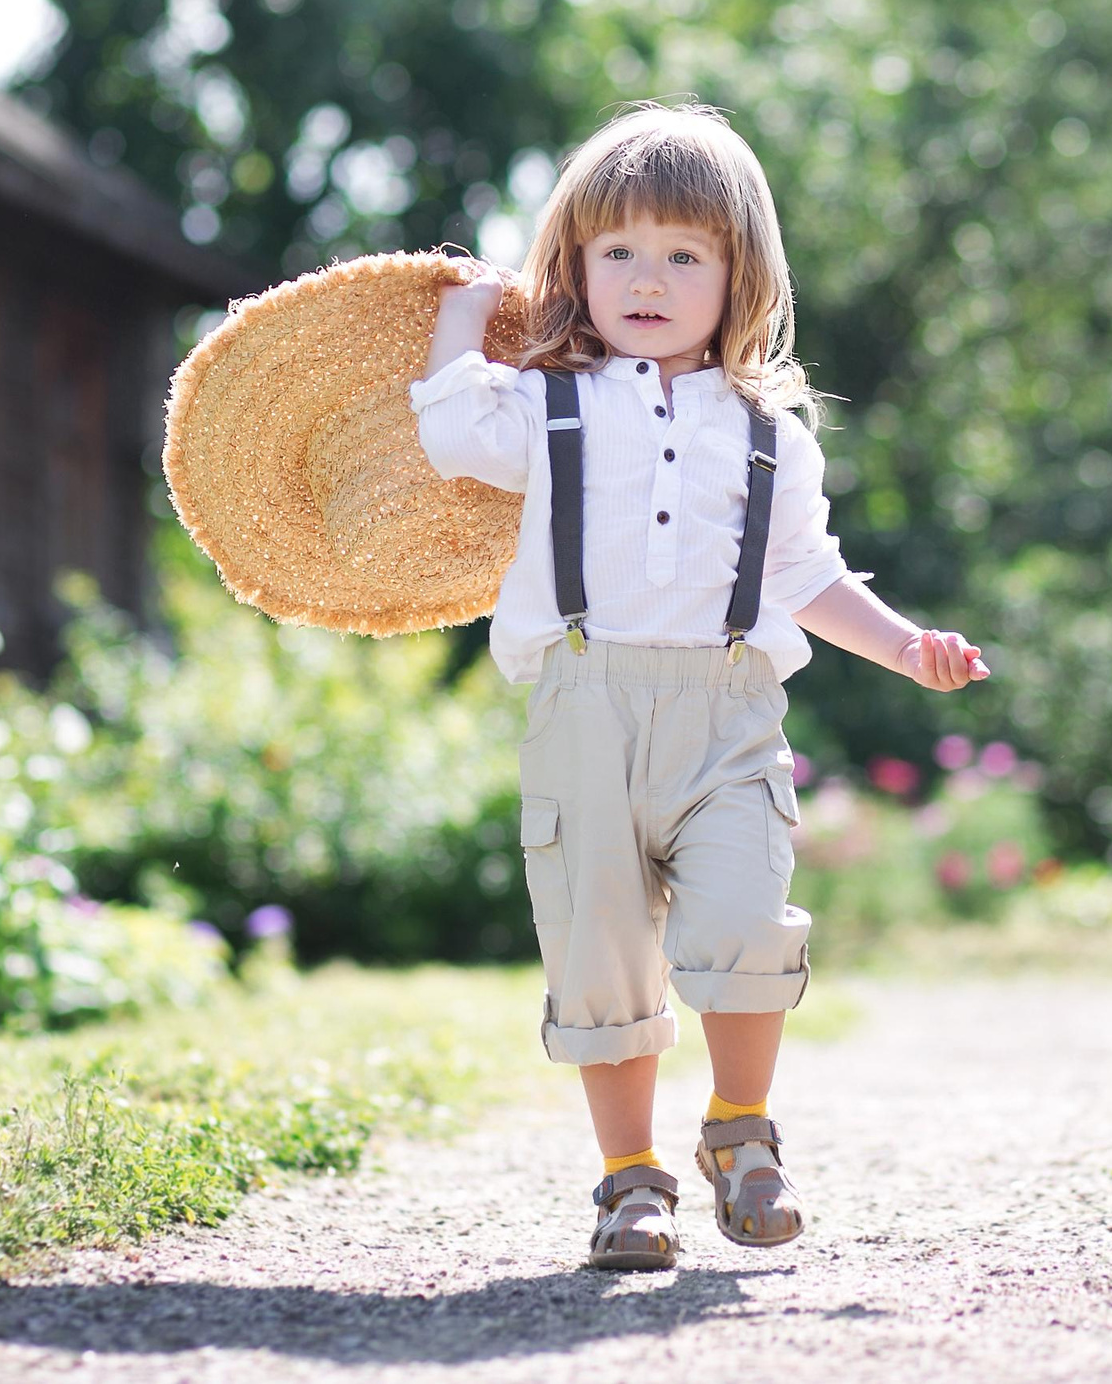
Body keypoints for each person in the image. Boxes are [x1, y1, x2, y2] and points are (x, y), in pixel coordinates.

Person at [410, 103, 989, 1272]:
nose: (648, 278)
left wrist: (904, 645)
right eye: (617, 250)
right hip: (583, 708)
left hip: (729, 709)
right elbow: (454, 435)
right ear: (572, 264)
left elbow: (806, 571)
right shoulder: (548, 399)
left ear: (741, 275)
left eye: (685, 254)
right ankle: (630, 1180)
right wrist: (465, 318)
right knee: (601, 950)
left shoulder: (770, 426)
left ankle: (741, 1128)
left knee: (743, 921)